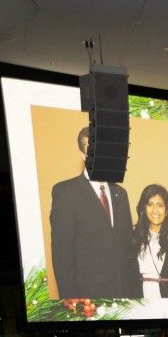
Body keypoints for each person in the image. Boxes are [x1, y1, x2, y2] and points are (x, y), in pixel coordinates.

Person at [48, 126, 137, 299]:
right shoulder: (66, 192)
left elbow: (128, 250)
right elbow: (62, 256)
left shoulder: (121, 194)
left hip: (123, 297)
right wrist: (73, 305)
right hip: (88, 302)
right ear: (82, 154)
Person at [130, 184, 168, 299]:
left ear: (167, 210)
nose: (155, 210)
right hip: (140, 302)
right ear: (143, 208)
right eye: (150, 205)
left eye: (160, 205)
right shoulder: (134, 237)